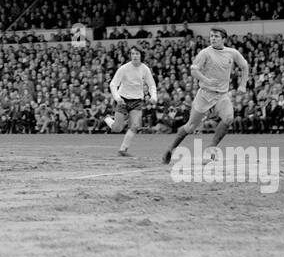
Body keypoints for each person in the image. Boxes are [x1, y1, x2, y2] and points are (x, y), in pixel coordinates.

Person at [162, 28, 250, 164]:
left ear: (224, 39)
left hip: (221, 95)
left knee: (228, 119)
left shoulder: (232, 53)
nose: (213, 38)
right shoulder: (205, 53)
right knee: (190, 127)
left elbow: (244, 66)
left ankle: (210, 150)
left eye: (216, 36)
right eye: (211, 36)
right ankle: (170, 149)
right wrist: (206, 80)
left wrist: (243, 85)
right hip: (204, 95)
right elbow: (193, 70)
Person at [103, 45, 158, 157]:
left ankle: (123, 150)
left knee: (135, 125)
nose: (134, 56)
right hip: (123, 99)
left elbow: (151, 84)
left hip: (137, 100)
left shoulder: (145, 69)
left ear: (141, 55)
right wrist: (117, 98)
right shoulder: (124, 68)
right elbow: (113, 84)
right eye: (132, 53)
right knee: (118, 128)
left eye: (137, 53)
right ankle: (107, 119)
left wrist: (154, 96)